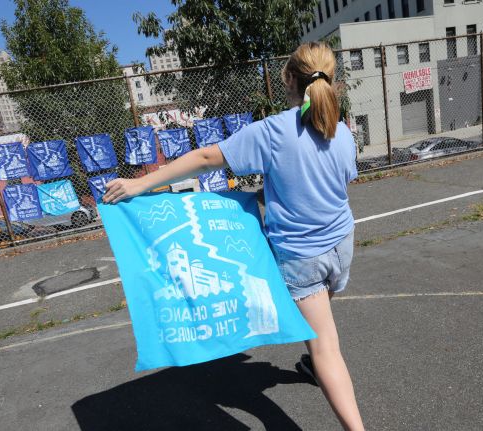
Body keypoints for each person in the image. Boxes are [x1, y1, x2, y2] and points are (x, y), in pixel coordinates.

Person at [103, 42, 364, 430]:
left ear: (289, 79)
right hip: (341, 246)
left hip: (302, 256)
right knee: (321, 321)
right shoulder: (340, 131)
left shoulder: (275, 130)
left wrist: (142, 183)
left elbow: (208, 157)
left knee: (326, 346)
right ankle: (314, 364)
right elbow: (332, 182)